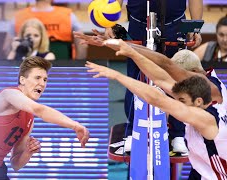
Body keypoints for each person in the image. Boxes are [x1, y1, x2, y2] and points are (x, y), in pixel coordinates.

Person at [85, 43, 227, 179]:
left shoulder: (205, 118)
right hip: (202, 170)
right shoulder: (200, 95)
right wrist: (133, 53)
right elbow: (161, 79)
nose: (177, 101)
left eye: (182, 101)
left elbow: (157, 99)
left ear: (198, 102)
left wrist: (117, 76)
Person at [0, 56, 90, 179]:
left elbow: (15, 164)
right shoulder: (8, 95)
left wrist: (28, 152)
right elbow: (40, 110)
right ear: (22, 79)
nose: (42, 84)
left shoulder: (29, 120)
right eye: (37, 78)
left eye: (45, 79)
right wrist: (75, 125)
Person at [105, 0, 203, 148]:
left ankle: (177, 135)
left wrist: (196, 28)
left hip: (174, 26)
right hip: (138, 26)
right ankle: (133, 132)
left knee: (177, 80)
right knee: (135, 78)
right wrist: (109, 23)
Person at [3, 0, 87, 60]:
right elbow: (82, 45)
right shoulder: (68, 15)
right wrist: (77, 68)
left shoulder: (19, 16)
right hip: (61, 70)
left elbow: (7, 47)